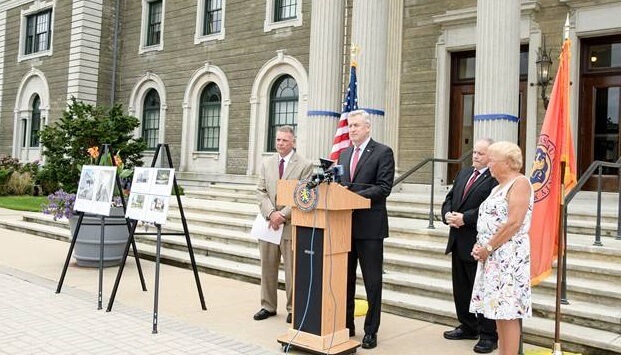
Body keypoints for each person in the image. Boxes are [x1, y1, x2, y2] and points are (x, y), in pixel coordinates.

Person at [337, 109, 395, 350]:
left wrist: (352, 196)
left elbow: (383, 188)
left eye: (357, 126)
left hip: (370, 228)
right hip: (344, 227)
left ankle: (370, 331)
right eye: (350, 126)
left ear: (368, 128)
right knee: (345, 280)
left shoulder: (383, 152)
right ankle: (346, 325)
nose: (352, 130)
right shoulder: (344, 153)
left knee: (372, 282)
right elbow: (339, 185)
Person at [470, 141, 533, 355]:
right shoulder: (497, 187)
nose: (489, 165)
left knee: (508, 311)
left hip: (509, 256)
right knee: (498, 310)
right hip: (493, 256)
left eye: (492, 160)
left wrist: (488, 246)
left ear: (507, 163)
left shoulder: (520, 183)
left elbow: (514, 222)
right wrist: (480, 246)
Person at [441, 138, 499, 353]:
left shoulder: (494, 178)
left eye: (480, 154)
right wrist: (447, 214)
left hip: (478, 243)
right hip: (457, 240)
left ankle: (488, 334)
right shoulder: (464, 173)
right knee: (462, 288)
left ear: (490, 157)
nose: (475, 156)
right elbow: (449, 197)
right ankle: (468, 325)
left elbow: (489, 208)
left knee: (481, 290)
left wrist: (465, 218)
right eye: (474, 152)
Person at [254, 126, 313, 324]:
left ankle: (292, 308)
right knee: (267, 268)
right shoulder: (267, 163)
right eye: (278, 140)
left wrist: (282, 215)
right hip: (269, 224)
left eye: (285, 141)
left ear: (293, 142)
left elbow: (304, 195)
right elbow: (260, 191)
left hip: (290, 225)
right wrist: (271, 213)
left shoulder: (305, 165)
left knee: (292, 270)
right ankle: (267, 306)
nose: (280, 143)